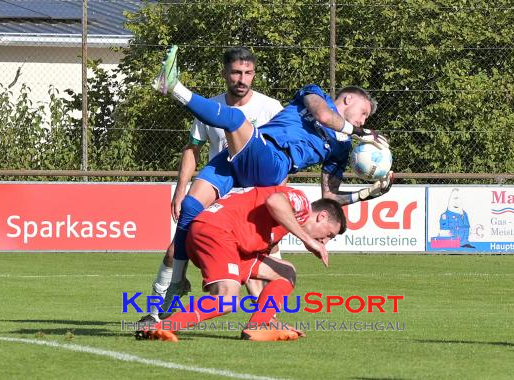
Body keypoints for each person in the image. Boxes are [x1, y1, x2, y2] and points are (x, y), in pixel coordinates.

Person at [152, 45, 393, 317]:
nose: (363, 120)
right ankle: (176, 284)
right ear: (347, 100)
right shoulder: (314, 94)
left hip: (271, 164)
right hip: (242, 154)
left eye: (365, 120)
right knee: (191, 208)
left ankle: (174, 88)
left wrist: (365, 194)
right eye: (363, 113)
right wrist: (361, 132)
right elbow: (326, 117)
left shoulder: (341, 148)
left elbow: (329, 196)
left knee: (233, 118)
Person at [147, 47, 283, 322]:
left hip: (253, 195)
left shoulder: (270, 108)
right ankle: (155, 310)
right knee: (176, 246)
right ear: (224, 74)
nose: (242, 79)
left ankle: (265, 319)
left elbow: (280, 157)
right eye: (236, 72)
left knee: (263, 258)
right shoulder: (209, 107)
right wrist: (181, 189)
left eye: (248, 73)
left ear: (254, 75)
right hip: (217, 188)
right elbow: (193, 148)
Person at [136, 185, 347, 342]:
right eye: (329, 234)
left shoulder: (279, 227)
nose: (325, 241)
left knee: (286, 271)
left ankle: (256, 326)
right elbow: (274, 201)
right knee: (226, 300)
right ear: (322, 216)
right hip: (217, 232)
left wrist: (268, 318)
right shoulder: (301, 204)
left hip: (225, 240)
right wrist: (308, 240)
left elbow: (253, 282)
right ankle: (161, 327)